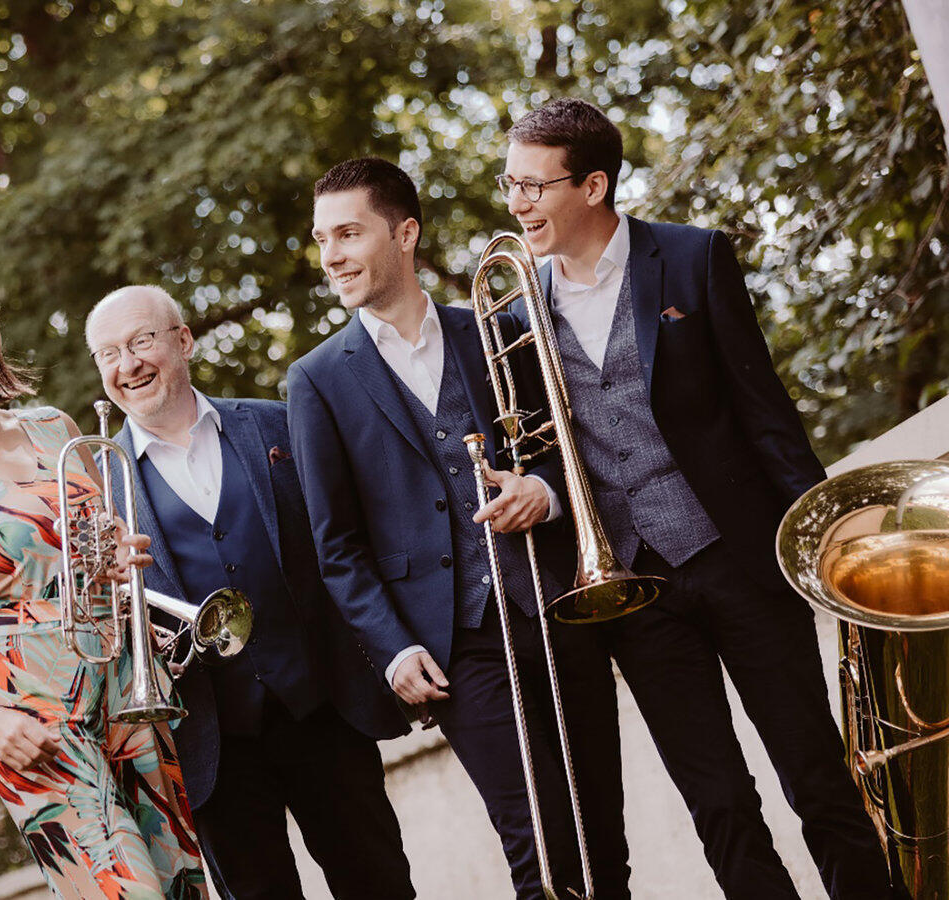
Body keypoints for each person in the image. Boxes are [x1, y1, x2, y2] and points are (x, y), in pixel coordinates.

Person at [498, 97, 893, 899]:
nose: (516, 204)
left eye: (534, 186)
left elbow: (764, 411)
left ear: (594, 185)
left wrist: (826, 542)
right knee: (719, 805)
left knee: (816, 774)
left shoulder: (691, 257)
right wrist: (536, 488)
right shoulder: (515, 310)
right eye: (510, 184)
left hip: (739, 556)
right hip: (631, 587)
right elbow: (543, 450)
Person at [287, 157, 626, 899]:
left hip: (556, 607)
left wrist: (543, 492)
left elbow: (566, 450)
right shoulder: (317, 379)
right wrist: (392, 648)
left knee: (604, 844)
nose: (331, 255)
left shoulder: (494, 328)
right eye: (322, 239)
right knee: (539, 852)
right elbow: (336, 545)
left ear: (405, 233)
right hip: (453, 644)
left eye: (349, 233)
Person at [0, 267, 208, 900]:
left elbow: (97, 544)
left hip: (122, 678)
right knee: (126, 892)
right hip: (28, 715)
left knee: (182, 883)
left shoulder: (55, 428)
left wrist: (115, 555)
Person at [83, 285, 414, 899]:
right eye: (109, 354)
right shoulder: (93, 488)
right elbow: (91, 629)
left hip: (324, 710)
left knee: (381, 885)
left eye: (141, 341)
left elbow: (349, 542)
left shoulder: (276, 422)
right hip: (209, 744)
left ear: (183, 340)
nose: (127, 365)